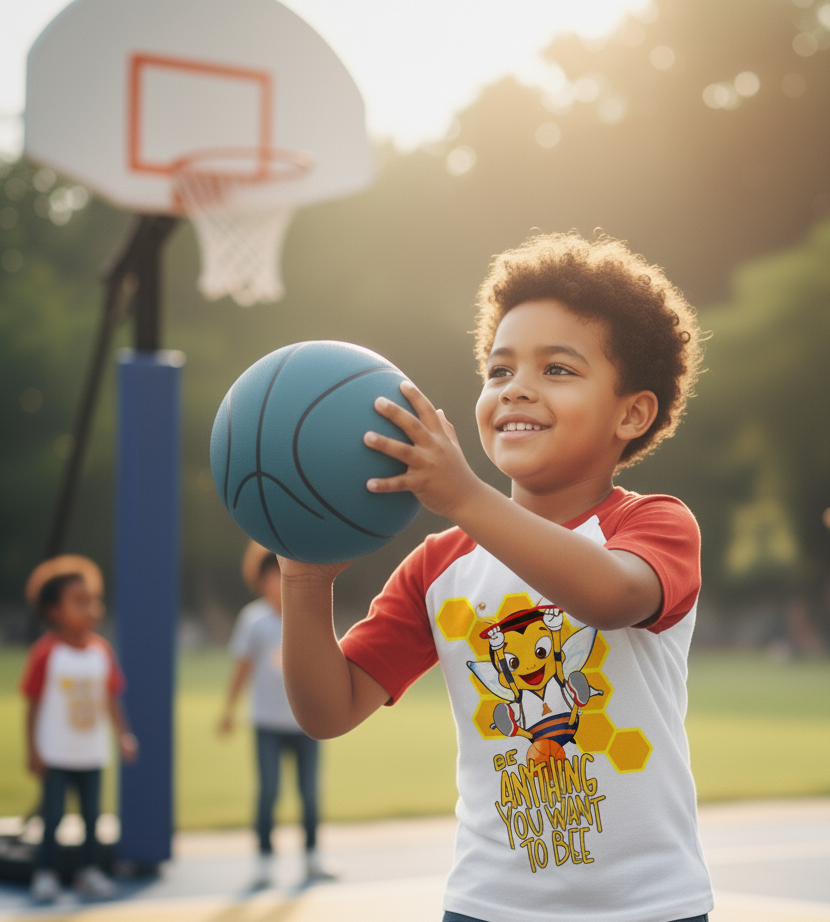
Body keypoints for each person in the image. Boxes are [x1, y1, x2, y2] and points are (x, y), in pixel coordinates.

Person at [278, 232, 715, 922]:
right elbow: (329, 709)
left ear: (631, 413)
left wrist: (463, 496)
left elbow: (608, 596)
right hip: (488, 906)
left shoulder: (655, 524)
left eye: (558, 370)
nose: (517, 389)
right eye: (499, 370)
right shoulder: (439, 565)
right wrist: (304, 585)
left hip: (648, 908)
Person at [20, 555, 138, 903]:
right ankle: (46, 874)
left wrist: (123, 735)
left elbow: (112, 699)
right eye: (79, 602)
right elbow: (33, 705)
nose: (91, 609)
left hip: (91, 754)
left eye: (94, 601)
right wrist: (33, 749)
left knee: (92, 818)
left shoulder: (101, 651)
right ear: (54, 610)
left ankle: (89, 872)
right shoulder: (47, 654)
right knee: (52, 818)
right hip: (56, 753)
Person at [219, 542, 335, 888]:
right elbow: (242, 668)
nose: (278, 584)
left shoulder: (310, 614)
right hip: (267, 723)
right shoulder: (253, 621)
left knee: (310, 793)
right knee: (268, 792)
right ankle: (264, 861)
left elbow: (327, 662)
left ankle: (313, 857)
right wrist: (229, 710)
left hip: (308, 725)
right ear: (261, 580)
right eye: (272, 577)